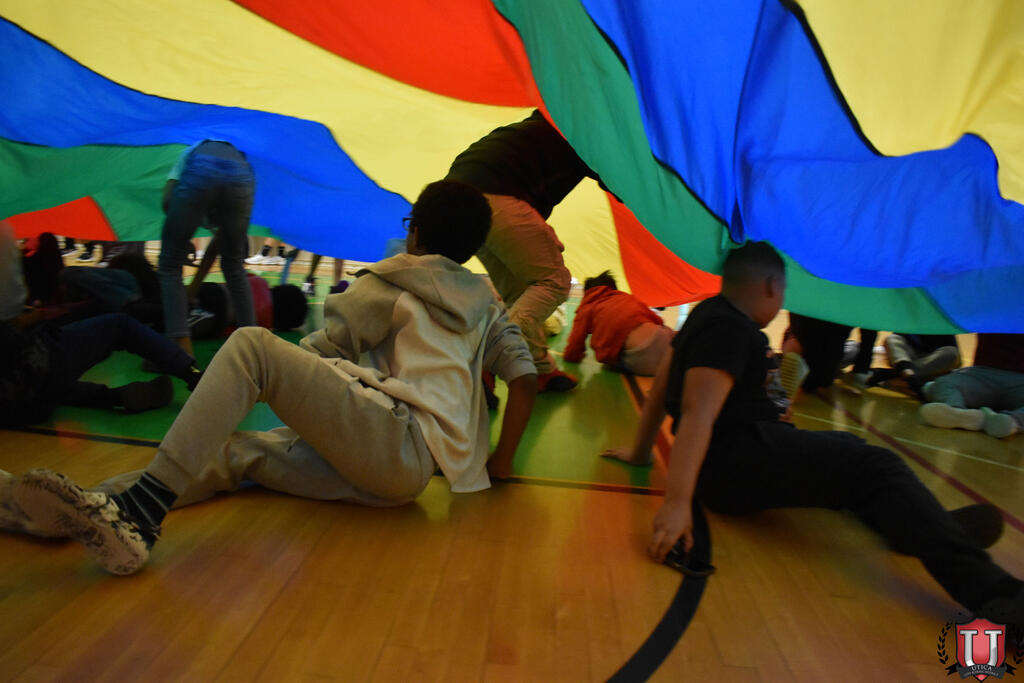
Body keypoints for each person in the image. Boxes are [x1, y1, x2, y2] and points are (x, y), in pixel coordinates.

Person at [3, 181, 538, 575]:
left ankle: (142, 510)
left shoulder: (394, 281)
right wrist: (501, 462)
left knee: (253, 348)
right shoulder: (487, 305)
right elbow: (525, 377)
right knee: (239, 454)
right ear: (471, 248)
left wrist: (281, 382)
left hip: (388, 442)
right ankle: (80, 512)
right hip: (401, 480)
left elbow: (314, 354)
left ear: (414, 232)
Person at [603, 241, 1024, 622]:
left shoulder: (708, 315)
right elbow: (698, 413)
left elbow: (663, 385)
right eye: (784, 292)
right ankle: (993, 592)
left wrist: (642, 451)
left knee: (846, 457)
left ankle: (920, 525)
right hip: (737, 461)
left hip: (733, 459)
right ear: (771, 286)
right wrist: (677, 504)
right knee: (875, 465)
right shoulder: (730, 328)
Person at [446, 109, 605, 392]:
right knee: (554, 282)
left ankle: (540, 369)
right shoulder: (580, 134)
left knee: (519, 293)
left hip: (458, 202)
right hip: (497, 194)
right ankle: (490, 357)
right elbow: (622, 179)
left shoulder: (537, 126)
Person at [159, 140, 257, 356]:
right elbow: (219, 245)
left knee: (169, 264)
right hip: (243, 174)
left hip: (201, 168)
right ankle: (253, 348)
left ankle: (180, 351)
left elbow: (167, 200)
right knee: (234, 266)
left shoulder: (190, 151)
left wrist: (179, 238)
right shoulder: (234, 157)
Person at [562, 270, 673, 376]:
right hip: (667, 341)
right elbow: (658, 321)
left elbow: (575, 343)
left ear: (586, 293)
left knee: (608, 364)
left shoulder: (587, 307)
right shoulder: (628, 298)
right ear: (614, 288)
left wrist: (571, 356)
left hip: (642, 357)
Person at [919, 333, 1024, 438]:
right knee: (944, 382)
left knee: (941, 385)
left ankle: (1010, 421)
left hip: (1009, 379)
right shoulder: (990, 321)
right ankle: (958, 411)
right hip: (982, 373)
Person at [867, 333, 961, 398]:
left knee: (951, 353)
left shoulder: (941, 319)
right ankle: (908, 375)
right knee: (892, 339)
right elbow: (895, 346)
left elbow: (955, 361)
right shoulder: (909, 316)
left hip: (932, 359)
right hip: (911, 358)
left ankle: (896, 373)